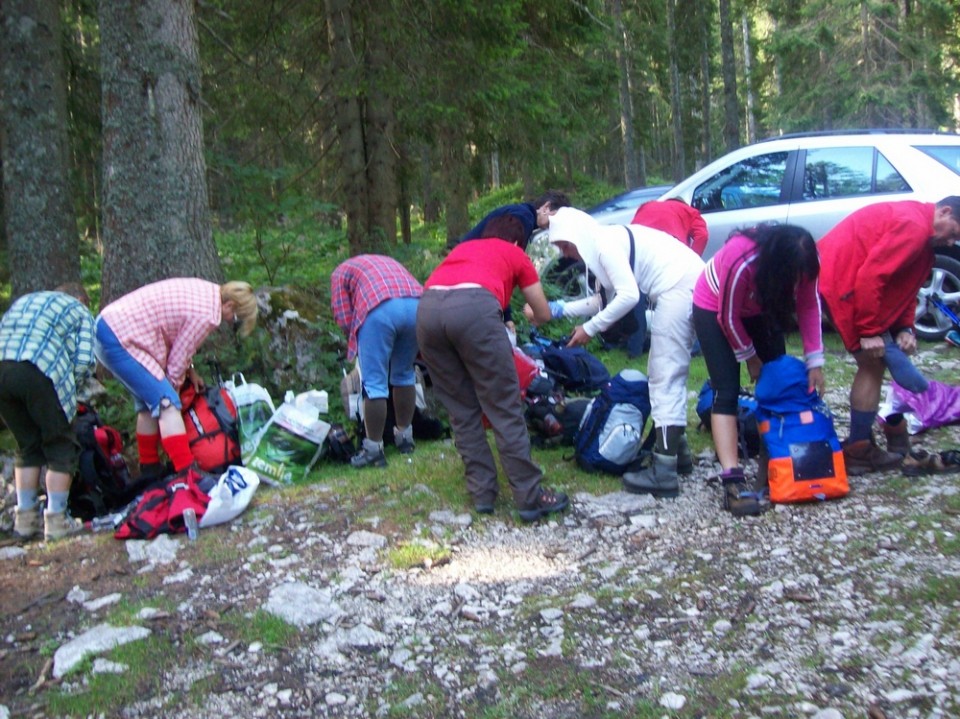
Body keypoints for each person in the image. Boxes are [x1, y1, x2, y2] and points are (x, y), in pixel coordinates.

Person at [531, 207, 704, 498]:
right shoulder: (601, 244)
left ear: (577, 237)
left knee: (665, 377)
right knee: (666, 375)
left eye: (564, 245)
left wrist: (591, 329)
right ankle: (678, 455)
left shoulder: (604, 245)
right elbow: (602, 301)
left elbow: (628, 296)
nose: (564, 253)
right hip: (681, 285)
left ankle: (664, 472)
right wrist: (557, 310)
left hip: (680, 288)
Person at [417, 215, 569, 521]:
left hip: (427, 312)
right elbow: (542, 311)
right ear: (517, 241)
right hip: (474, 310)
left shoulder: (464, 249)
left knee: (461, 409)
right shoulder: (514, 252)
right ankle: (529, 497)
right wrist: (535, 318)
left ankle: (483, 493)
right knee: (503, 405)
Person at [818, 196, 960, 474]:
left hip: (846, 282)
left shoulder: (923, 238)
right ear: (944, 212)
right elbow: (871, 277)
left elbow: (904, 285)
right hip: (840, 283)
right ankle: (859, 448)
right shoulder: (914, 227)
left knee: (881, 361)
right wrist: (870, 331)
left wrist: (904, 328)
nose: (952, 242)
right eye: (954, 233)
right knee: (873, 361)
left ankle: (891, 433)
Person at [692, 224, 824, 516]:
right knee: (725, 389)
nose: (795, 285)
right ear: (777, 267)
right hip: (714, 307)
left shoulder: (806, 261)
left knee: (776, 384)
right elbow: (726, 317)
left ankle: (773, 466)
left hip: (760, 307)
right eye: (791, 279)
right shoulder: (742, 259)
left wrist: (815, 361)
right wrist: (750, 357)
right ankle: (733, 480)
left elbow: (808, 306)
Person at [94, 278, 258, 478]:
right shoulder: (207, 315)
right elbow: (176, 364)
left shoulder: (207, 293)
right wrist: (174, 392)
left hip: (109, 329)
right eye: (235, 317)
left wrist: (191, 371)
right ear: (230, 305)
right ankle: (188, 473)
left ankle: (150, 470)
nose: (232, 322)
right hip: (122, 338)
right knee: (167, 403)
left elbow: (178, 339)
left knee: (147, 405)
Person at [0, 285, 96, 540]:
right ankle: (56, 521)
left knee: (28, 446)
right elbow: (85, 359)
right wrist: (73, 388)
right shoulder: (79, 310)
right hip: (37, 369)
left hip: (1, 370)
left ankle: (25, 520)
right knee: (60, 444)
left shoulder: (26, 300)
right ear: (80, 299)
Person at [331, 255, 423, 468]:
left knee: (374, 383)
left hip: (379, 308)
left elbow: (344, 316)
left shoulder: (340, 273)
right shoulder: (387, 261)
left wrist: (355, 339)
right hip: (417, 306)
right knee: (404, 373)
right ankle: (405, 439)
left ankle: (373, 449)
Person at [456, 190, 571, 249]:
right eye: (557, 216)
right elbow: (504, 255)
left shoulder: (523, 213)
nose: (555, 223)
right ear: (546, 207)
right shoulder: (523, 218)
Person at [631, 197, 709, 257]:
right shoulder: (689, 211)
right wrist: (692, 258)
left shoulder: (646, 206)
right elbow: (702, 235)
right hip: (669, 248)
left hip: (638, 245)